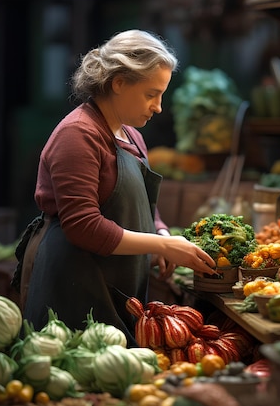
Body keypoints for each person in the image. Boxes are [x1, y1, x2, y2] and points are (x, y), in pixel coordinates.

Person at [13, 29, 217, 346]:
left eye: (161, 94)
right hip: (74, 288)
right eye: (151, 94)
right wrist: (161, 246)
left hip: (118, 291)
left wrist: (161, 232)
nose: (159, 107)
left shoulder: (131, 136)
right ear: (118, 83)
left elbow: (147, 206)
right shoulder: (78, 135)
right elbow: (83, 226)